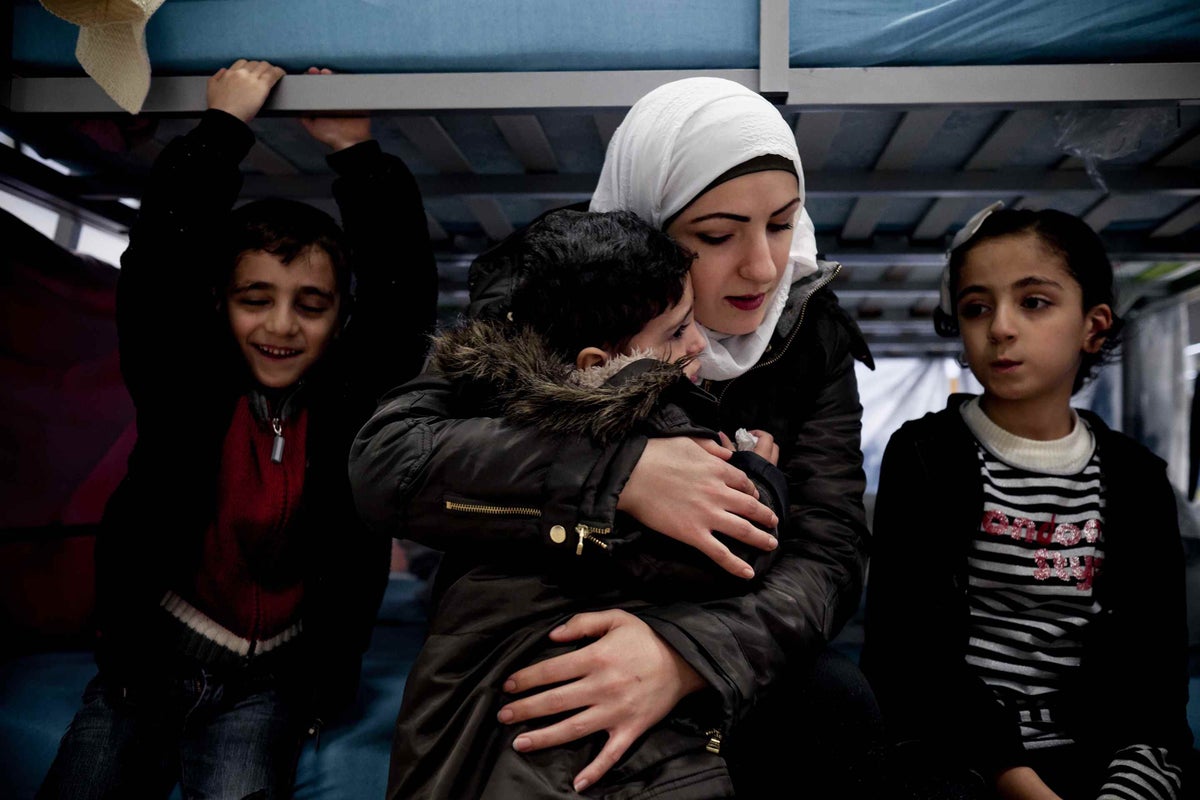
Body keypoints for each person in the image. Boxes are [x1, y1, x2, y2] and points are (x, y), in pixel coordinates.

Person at [351, 76, 879, 798]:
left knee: (831, 700)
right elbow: (390, 463)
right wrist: (620, 474)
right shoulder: (561, 286)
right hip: (552, 621)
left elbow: (830, 550)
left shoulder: (810, 332)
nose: (763, 266)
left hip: (716, 629)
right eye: (717, 236)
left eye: (783, 224)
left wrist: (684, 657)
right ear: (650, 229)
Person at [37, 60, 437, 799]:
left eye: (310, 306)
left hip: (270, 686)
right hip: (146, 667)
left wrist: (358, 155)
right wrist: (219, 132)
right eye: (256, 300)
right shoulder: (184, 386)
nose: (281, 326)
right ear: (219, 304)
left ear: (339, 318)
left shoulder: (349, 404)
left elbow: (402, 293)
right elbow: (157, 267)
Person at [386, 208, 789, 798]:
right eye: (676, 331)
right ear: (597, 366)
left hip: (461, 715)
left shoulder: (490, 412)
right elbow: (733, 552)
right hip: (566, 743)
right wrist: (759, 475)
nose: (699, 342)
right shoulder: (647, 414)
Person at [861, 204, 1193, 800]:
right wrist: (1022, 786)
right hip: (958, 756)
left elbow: (1155, 681)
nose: (1001, 327)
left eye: (1033, 302)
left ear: (1093, 326)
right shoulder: (927, 457)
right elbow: (909, 654)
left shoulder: (1138, 481)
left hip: (1102, 755)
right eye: (976, 307)